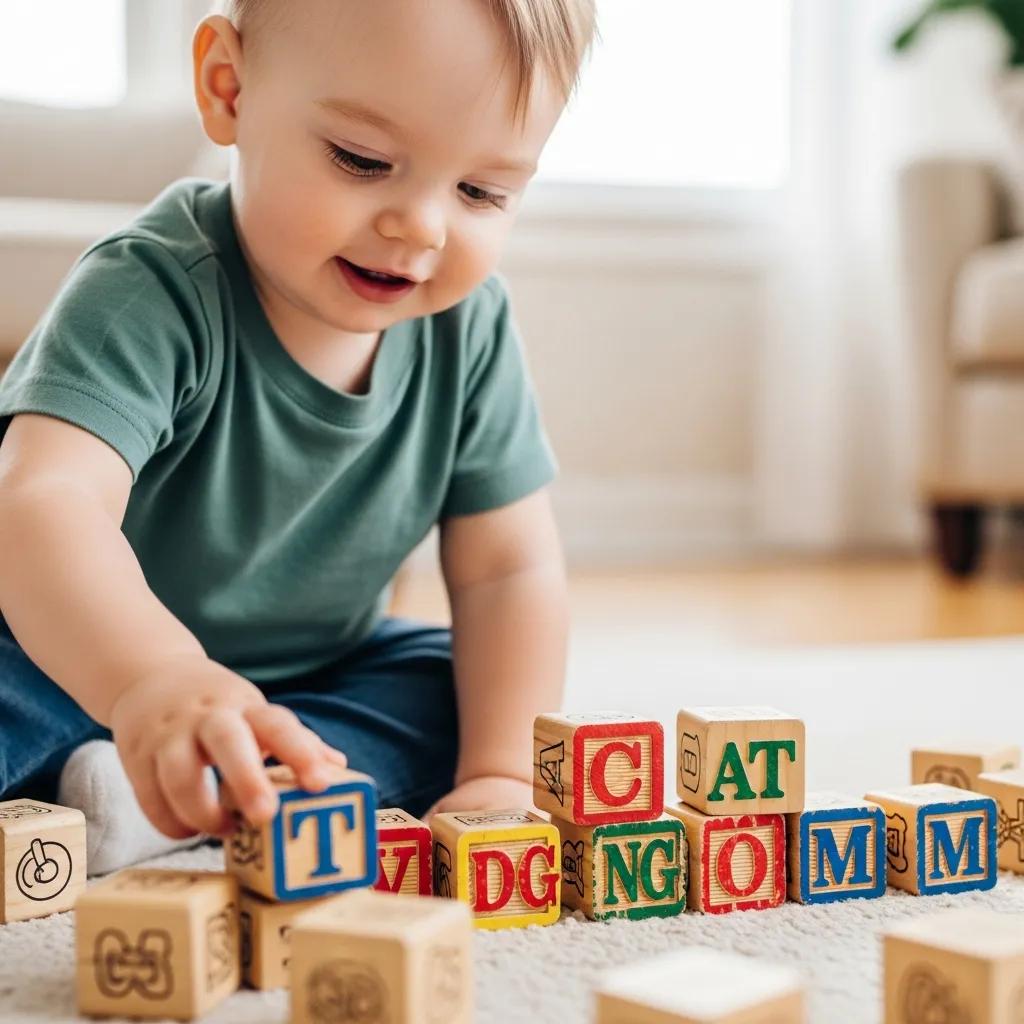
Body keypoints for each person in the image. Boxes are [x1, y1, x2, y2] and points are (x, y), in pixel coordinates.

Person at [0, 0, 597, 873]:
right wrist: (153, 682)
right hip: (69, 663)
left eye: (481, 191)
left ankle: (162, 805)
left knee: (461, 692)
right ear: (229, 89)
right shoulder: (150, 290)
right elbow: (44, 501)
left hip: (312, 679)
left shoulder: (469, 331)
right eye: (363, 160)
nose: (423, 226)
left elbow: (510, 569)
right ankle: (162, 769)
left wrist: (500, 775)